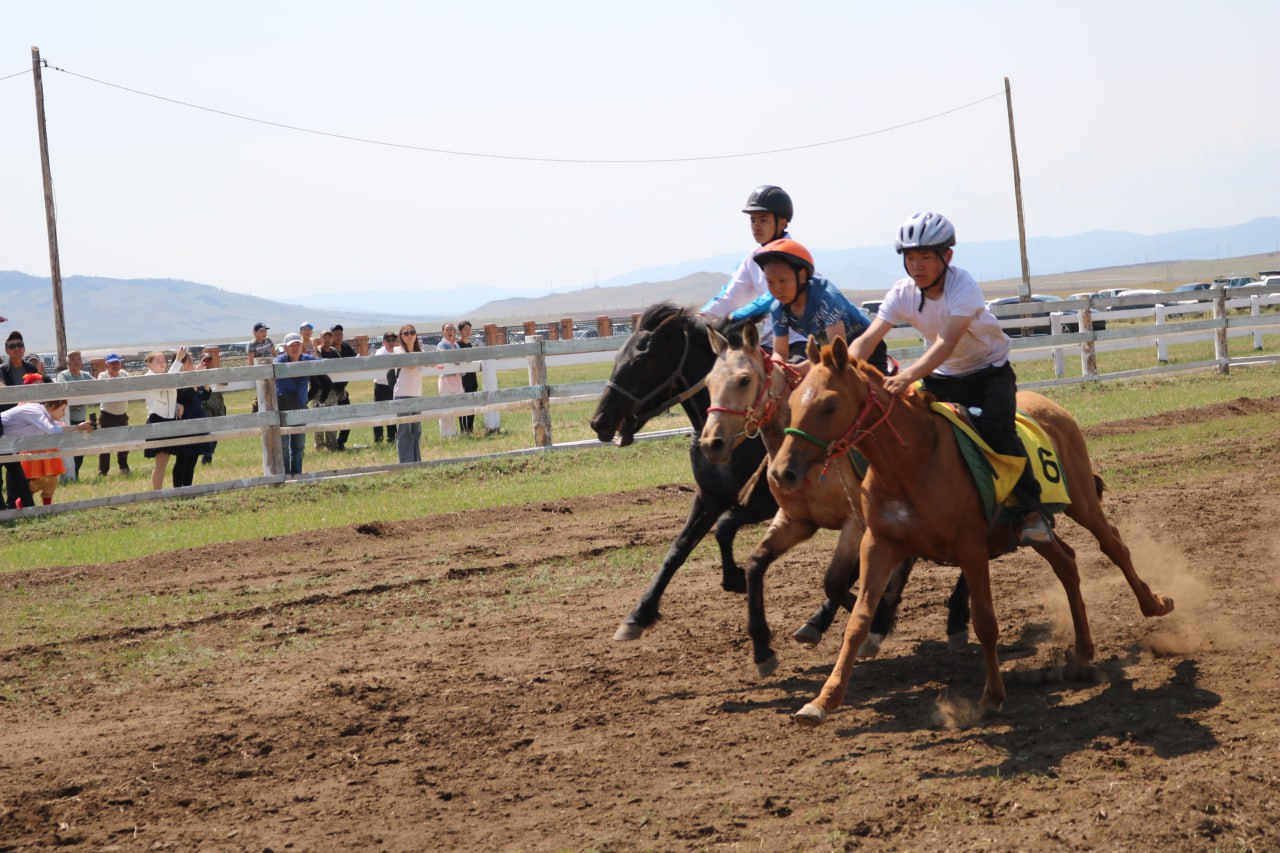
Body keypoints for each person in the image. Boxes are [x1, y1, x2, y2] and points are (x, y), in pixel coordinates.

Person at [847, 211, 1051, 546]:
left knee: (999, 430)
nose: (917, 266)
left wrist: (909, 375)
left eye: (926, 257)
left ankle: (1033, 512)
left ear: (947, 257)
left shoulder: (964, 286)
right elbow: (868, 339)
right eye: (910, 258)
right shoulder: (902, 293)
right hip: (942, 379)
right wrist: (841, 367)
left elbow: (946, 341)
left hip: (988, 374)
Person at [735, 238, 887, 372]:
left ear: (801, 276)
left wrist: (802, 368)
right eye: (770, 282)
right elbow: (780, 353)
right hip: (829, 352)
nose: (776, 288)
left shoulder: (826, 299)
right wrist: (777, 369)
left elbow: (837, 353)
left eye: (782, 281)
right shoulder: (778, 308)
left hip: (866, 349)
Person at [701, 184, 807, 351]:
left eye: (763, 220)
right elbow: (730, 296)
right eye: (753, 220)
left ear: (782, 223)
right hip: (766, 343)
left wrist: (736, 318)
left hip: (798, 342)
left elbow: (773, 298)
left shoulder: (795, 256)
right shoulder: (752, 258)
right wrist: (701, 317)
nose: (756, 226)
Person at [1, 375, 96, 508]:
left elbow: (58, 427)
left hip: (5, 443)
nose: (63, 413)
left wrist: (80, 427)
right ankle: (18, 508)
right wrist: (77, 427)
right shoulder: (34, 410)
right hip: (3, 439)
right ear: (52, 406)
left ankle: (25, 508)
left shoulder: (44, 415)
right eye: (62, 409)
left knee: (19, 477)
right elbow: (52, 430)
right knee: (17, 476)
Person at [1, 331, 48, 509]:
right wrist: (18, 395)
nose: (16, 349)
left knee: (17, 465)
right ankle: (16, 503)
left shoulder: (31, 368)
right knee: (11, 463)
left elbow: (45, 385)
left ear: (24, 348)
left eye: (19, 345)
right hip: (7, 422)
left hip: (27, 422)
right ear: (7, 349)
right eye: (12, 346)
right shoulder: (2, 370)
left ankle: (18, 503)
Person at [141, 348, 186, 491]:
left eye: (164, 360)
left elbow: (168, 394)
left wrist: (177, 405)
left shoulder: (165, 375)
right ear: (149, 364)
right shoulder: (149, 377)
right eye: (158, 361)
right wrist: (178, 360)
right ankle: (157, 493)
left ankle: (160, 491)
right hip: (157, 419)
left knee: (164, 461)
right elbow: (167, 384)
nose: (162, 363)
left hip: (169, 418)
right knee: (160, 462)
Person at [275, 333, 320, 476]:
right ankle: (286, 476)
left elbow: (322, 363)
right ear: (285, 348)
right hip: (282, 409)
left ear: (302, 346)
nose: (295, 348)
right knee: (283, 446)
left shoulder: (306, 360)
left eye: (298, 345)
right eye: (291, 345)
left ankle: (297, 475)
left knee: (299, 445)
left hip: (300, 408)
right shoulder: (279, 362)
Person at [171, 350, 212, 488]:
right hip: (185, 424)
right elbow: (181, 395)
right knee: (182, 459)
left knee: (193, 459)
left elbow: (204, 395)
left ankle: (188, 488)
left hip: (197, 422)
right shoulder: (178, 382)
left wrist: (202, 378)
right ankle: (178, 489)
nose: (191, 365)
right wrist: (193, 376)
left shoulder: (192, 378)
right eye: (189, 363)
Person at [55, 350, 95, 480]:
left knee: (80, 449)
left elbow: (96, 386)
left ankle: (75, 475)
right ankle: (67, 477)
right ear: (68, 362)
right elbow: (64, 388)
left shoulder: (85, 375)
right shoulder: (63, 375)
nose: (76, 361)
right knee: (68, 448)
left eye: (78, 359)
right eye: (73, 359)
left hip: (81, 417)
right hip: (67, 418)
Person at [391, 324, 427, 464]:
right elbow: (410, 364)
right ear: (401, 336)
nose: (409, 335)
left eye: (412, 332)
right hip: (402, 394)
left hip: (416, 394)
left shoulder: (421, 351)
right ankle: (406, 462)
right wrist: (424, 358)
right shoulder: (398, 351)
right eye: (406, 333)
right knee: (404, 430)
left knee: (416, 430)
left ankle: (416, 460)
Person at [96, 353, 132, 476]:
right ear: (106, 364)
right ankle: (103, 470)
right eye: (112, 363)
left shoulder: (124, 374)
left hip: (122, 414)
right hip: (107, 414)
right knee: (105, 444)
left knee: (124, 442)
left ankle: (124, 467)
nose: (115, 365)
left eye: (117, 363)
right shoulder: (102, 375)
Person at [329, 324, 357, 450]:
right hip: (329, 389)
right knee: (331, 417)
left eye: (340, 334)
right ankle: (329, 444)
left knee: (348, 415)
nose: (338, 336)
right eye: (335, 334)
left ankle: (341, 441)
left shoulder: (345, 347)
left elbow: (356, 359)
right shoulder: (328, 349)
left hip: (342, 389)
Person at [313, 329, 340, 451]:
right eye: (325, 337)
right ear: (320, 338)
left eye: (329, 337)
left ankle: (331, 444)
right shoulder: (316, 351)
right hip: (318, 391)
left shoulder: (334, 352)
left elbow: (340, 366)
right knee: (318, 418)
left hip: (332, 391)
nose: (327, 339)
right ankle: (319, 446)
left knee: (332, 418)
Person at [196, 352, 226, 464]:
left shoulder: (216, 372)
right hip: (206, 405)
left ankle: (209, 455)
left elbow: (225, 382)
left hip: (217, 403)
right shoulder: (197, 373)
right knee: (208, 431)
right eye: (205, 360)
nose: (207, 363)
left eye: (209, 360)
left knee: (216, 432)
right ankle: (207, 457)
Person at [436, 323, 464, 438]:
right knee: (446, 407)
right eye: (447, 329)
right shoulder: (441, 345)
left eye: (451, 329)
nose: (449, 331)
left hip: (456, 379)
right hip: (446, 379)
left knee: (455, 407)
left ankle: (453, 431)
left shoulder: (456, 345)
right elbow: (444, 359)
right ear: (443, 332)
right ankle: (445, 433)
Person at [371, 331, 399, 445]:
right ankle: (378, 437)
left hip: (392, 386)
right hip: (381, 386)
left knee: (392, 410)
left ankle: (392, 436)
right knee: (379, 411)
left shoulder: (397, 351)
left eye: (393, 340)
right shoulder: (380, 353)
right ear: (383, 342)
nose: (391, 343)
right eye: (388, 340)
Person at [456, 321, 478, 434]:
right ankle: (464, 430)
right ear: (460, 331)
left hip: (472, 378)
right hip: (463, 380)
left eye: (469, 329)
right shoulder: (457, 345)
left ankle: (470, 428)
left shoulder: (469, 344)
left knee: (472, 404)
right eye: (465, 329)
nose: (468, 331)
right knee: (464, 405)